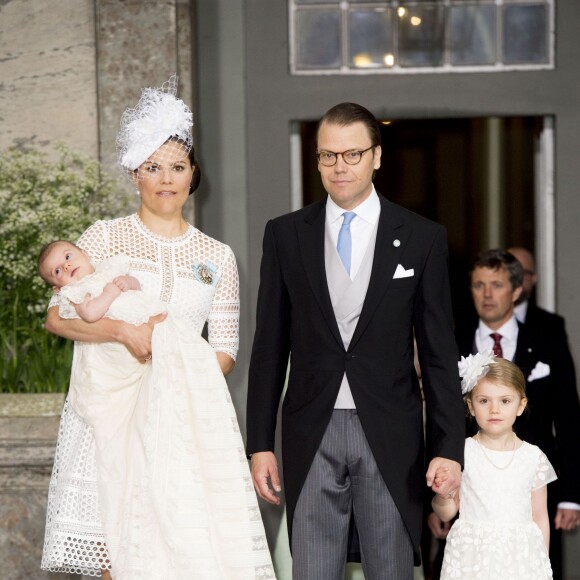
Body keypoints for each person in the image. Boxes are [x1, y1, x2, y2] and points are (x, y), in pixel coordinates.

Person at [40, 76, 275, 579]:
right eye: (153, 167)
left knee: (191, 555)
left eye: (177, 166)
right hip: (111, 418)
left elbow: (227, 348)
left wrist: (176, 379)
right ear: (134, 174)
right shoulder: (103, 237)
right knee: (116, 558)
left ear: (193, 175)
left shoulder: (218, 255)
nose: (166, 178)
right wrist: (122, 334)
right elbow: (57, 317)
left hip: (185, 421)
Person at [246, 102, 465, 579]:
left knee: (389, 567)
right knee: (312, 569)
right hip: (309, 427)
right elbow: (268, 347)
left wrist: (448, 446)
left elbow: (438, 353)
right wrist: (259, 442)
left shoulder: (423, 237)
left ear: (376, 157)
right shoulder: (285, 235)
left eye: (352, 155)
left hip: (390, 430)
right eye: (328, 156)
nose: (339, 167)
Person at [454, 248, 580, 579]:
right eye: (478, 285)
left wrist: (571, 496)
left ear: (517, 289)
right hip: (470, 482)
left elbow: (568, 417)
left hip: (533, 483)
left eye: (496, 284)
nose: (487, 294)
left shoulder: (547, 335)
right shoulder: (452, 337)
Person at [433, 351, 556, 579]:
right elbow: (446, 512)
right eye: (484, 401)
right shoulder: (462, 452)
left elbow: (540, 517)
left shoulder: (533, 457)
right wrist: (442, 496)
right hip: (471, 560)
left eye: (505, 401)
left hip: (519, 561)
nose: (494, 410)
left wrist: (541, 563)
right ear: (470, 406)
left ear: (521, 405)